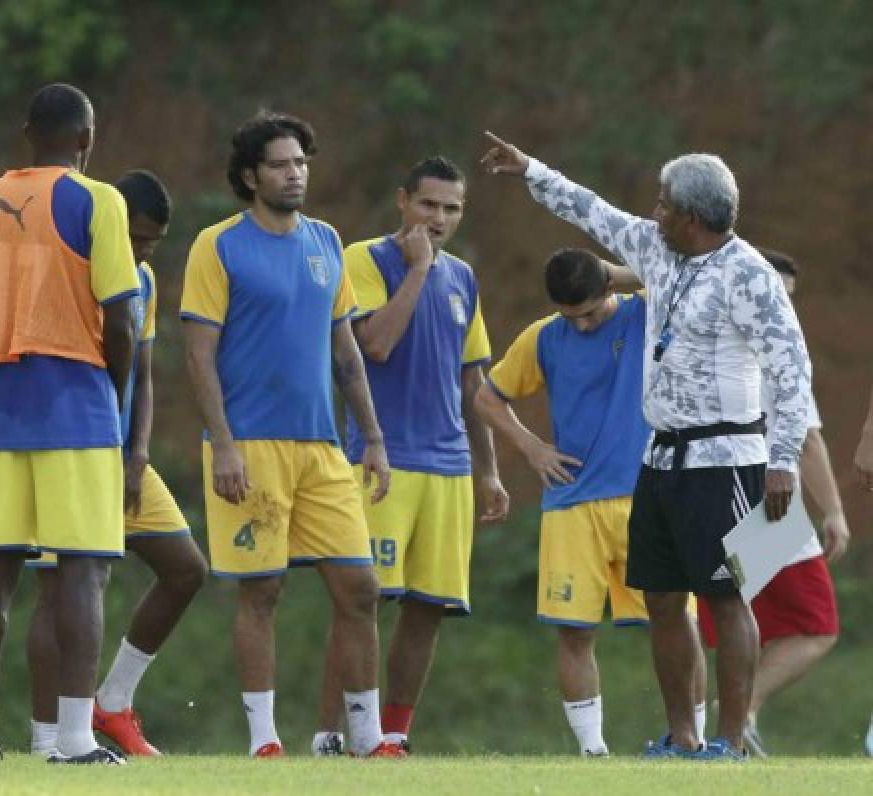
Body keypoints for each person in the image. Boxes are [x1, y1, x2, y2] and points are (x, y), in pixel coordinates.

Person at [481, 132, 811, 760]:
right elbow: (592, 211)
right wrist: (530, 167)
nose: (653, 213)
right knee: (662, 597)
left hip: (726, 458)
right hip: (659, 458)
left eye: (663, 205)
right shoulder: (660, 254)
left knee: (724, 594)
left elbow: (792, 370)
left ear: (691, 216)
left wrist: (784, 459)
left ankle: (734, 738)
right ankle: (683, 736)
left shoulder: (750, 277)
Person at [180, 111, 400, 758]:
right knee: (263, 589)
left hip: (323, 445)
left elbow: (346, 354)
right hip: (248, 444)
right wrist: (222, 444)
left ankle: (366, 737)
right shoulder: (217, 245)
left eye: (301, 161)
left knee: (361, 588)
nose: (295, 172)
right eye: (280, 163)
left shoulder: (326, 242)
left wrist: (374, 436)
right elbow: (198, 355)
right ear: (250, 175)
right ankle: (264, 740)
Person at [0, 170, 209, 759]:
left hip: (117, 448)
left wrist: (138, 451)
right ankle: (49, 735)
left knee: (185, 567)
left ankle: (112, 700)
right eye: (136, 238)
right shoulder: (77, 265)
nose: (141, 251)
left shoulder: (145, 280)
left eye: (152, 243)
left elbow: (145, 371)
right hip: (72, 436)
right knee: (60, 583)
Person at [0, 83, 138, 766]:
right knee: (82, 573)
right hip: (76, 403)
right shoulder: (99, 200)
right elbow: (120, 315)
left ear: (25, 131)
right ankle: (71, 738)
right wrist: (112, 393)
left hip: (2, 405)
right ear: (87, 138)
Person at [312, 156, 509, 756]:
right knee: (362, 601)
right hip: (380, 462)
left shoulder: (464, 279)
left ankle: (394, 733)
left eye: (451, 208)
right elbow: (373, 343)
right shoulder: (362, 260)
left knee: (428, 608)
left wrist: (490, 469)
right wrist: (418, 271)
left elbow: (473, 383)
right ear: (403, 201)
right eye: (429, 204)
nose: (439, 218)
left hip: (448, 467)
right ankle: (331, 734)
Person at [475, 249, 656, 756]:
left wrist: (609, 273)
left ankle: (691, 737)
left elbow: (682, 265)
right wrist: (531, 447)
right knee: (574, 632)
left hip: (648, 498)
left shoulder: (648, 310)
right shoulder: (544, 336)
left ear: (611, 291)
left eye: (592, 313)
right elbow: (488, 398)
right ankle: (592, 751)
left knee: (674, 623)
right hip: (572, 504)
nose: (581, 325)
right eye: (570, 316)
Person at [695, 248, 846, 757]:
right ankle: (739, 717)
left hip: (701, 492)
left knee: (733, 621)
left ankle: (719, 725)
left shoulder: (709, 343)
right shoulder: (777, 359)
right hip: (764, 500)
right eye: (776, 296)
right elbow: (806, 442)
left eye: (789, 299)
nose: (783, 309)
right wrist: (836, 514)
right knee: (814, 625)